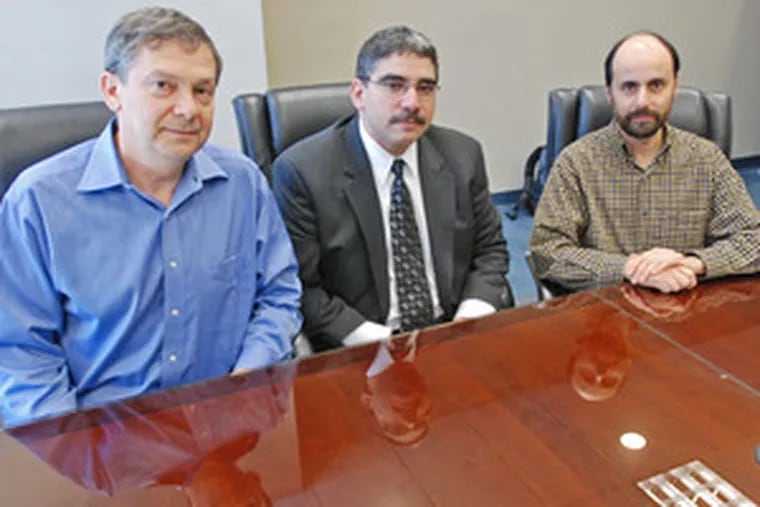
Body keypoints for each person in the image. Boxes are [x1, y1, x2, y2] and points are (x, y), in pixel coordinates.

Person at [0, 7, 302, 427]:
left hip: (227, 433)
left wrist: (246, 381)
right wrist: (74, 452)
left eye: (203, 91)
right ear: (112, 90)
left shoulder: (242, 183)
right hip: (105, 451)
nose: (188, 109)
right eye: (163, 86)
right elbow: (20, 353)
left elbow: (278, 293)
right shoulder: (37, 202)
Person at [272, 25, 510, 352]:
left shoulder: (463, 155)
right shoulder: (302, 171)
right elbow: (301, 287)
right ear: (358, 94)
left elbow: (490, 250)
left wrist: (471, 315)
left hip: (453, 334)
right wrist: (374, 340)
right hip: (361, 346)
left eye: (425, 88)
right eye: (394, 85)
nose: (412, 102)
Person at [530, 31, 760, 294]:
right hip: (604, 315)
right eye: (629, 87)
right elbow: (547, 252)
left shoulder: (707, 160)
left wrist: (692, 263)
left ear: (675, 86)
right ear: (609, 93)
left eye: (656, 85)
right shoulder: (576, 163)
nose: (642, 102)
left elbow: (754, 240)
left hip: (688, 311)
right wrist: (631, 268)